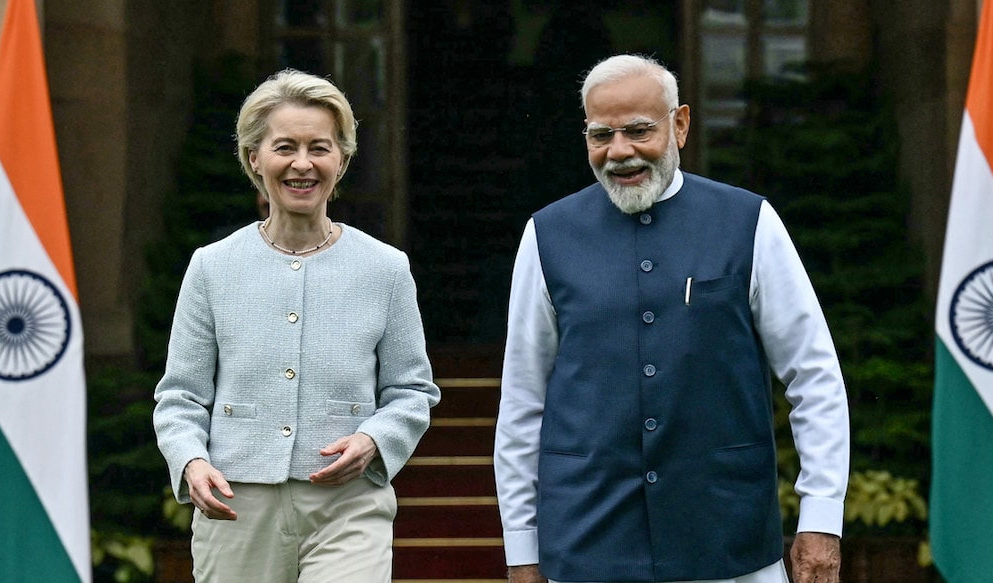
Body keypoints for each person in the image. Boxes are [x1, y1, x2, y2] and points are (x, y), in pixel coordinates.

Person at [494, 54, 850, 583]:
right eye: (601, 135)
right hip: (590, 541)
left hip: (729, 540)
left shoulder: (749, 221)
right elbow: (524, 403)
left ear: (680, 124)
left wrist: (821, 518)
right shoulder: (546, 235)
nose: (619, 152)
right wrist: (521, 550)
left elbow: (814, 376)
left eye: (639, 131)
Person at [153, 69, 440, 582]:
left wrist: (375, 439)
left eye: (320, 148)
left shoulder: (386, 269)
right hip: (235, 506)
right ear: (254, 159)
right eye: (285, 147)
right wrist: (191, 462)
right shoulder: (212, 266)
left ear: (342, 161)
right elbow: (180, 397)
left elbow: (412, 390)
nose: (302, 164)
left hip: (348, 505)